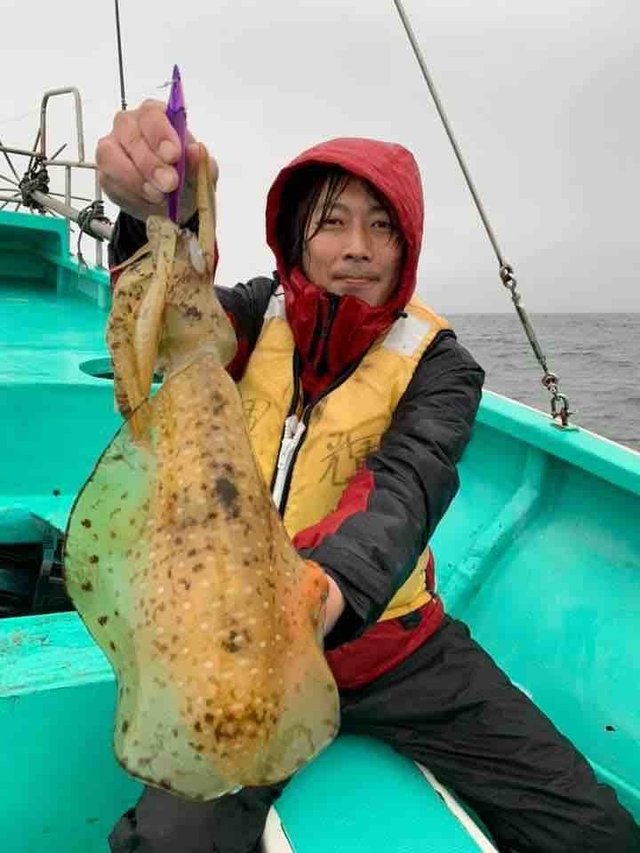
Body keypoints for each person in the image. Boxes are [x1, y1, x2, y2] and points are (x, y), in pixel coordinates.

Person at [98, 101, 640, 853]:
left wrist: (318, 593)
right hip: (242, 654)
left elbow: (406, 485)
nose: (358, 247)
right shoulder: (256, 316)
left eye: (381, 225)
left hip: (395, 649)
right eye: (333, 222)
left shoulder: (442, 364)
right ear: (298, 236)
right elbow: (165, 329)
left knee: (595, 832)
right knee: (169, 842)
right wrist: (160, 218)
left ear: (407, 243)